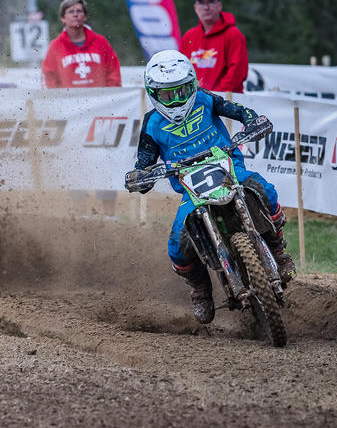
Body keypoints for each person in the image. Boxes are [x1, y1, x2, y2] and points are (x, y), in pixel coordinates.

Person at [124, 50, 294, 324]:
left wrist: (252, 120)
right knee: (177, 244)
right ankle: (200, 288)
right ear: (154, 94)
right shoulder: (152, 123)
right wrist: (140, 175)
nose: (176, 100)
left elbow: (237, 111)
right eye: (168, 95)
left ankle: (278, 251)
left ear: (192, 85)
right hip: (190, 186)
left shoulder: (204, 98)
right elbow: (144, 160)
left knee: (265, 190)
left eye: (182, 91)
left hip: (229, 168)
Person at [178, 0, 248, 94]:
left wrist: (214, 97)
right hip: (195, 99)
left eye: (210, 2)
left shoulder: (234, 35)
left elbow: (238, 72)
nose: (206, 7)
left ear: (219, 5)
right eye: (202, 3)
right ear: (195, 8)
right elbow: (180, 70)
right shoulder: (189, 37)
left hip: (226, 100)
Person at [41, 0, 121, 88]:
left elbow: (113, 72)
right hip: (69, 96)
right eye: (71, 12)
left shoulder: (100, 42)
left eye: (79, 11)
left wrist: (110, 93)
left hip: (100, 96)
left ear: (85, 16)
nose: (75, 14)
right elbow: (48, 77)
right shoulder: (56, 46)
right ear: (63, 18)